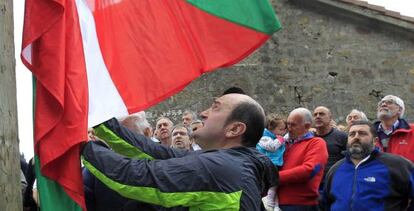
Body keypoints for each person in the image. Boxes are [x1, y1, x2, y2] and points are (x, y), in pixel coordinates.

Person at [82, 93, 278, 210]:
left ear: (234, 130)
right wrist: (98, 120)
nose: (203, 113)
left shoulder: (222, 168)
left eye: (215, 108)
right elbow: (155, 152)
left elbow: (135, 176)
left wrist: (77, 143)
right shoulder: (230, 163)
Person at [323, 120, 414, 210]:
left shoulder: (397, 165)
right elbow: (326, 202)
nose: (356, 137)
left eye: (362, 133)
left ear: (375, 141)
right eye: (352, 134)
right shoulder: (336, 169)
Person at [277, 108, 328, 211]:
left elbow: (309, 170)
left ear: (307, 126)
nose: (289, 128)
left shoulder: (316, 143)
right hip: (275, 202)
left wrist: (274, 177)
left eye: (293, 125)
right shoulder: (284, 143)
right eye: (288, 124)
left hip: (301, 204)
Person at [257, 113, 286, 211]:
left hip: (275, 164)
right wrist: (280, 140)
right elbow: (272, 147)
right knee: (272, 185)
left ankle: (275, 206)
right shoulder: (264, 137)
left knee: (275, 186)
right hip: (268, 165)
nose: (283, 132)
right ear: (270, 128)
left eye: (284, 129)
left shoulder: (275, 137)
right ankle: (268, 203)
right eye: (281, 129)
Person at [374, 95, 414, 162]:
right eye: (381, 103)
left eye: (389, 102)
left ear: (399, 110)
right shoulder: (367, 133)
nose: (383, 104)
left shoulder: (412, 131)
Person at [313, 106, 347, 177]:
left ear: (330, 118)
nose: (318, 116)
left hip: (335, 180)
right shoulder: (309, 138)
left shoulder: (342, 136)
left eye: (321, 114)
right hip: (313, 181)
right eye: (315, 114)